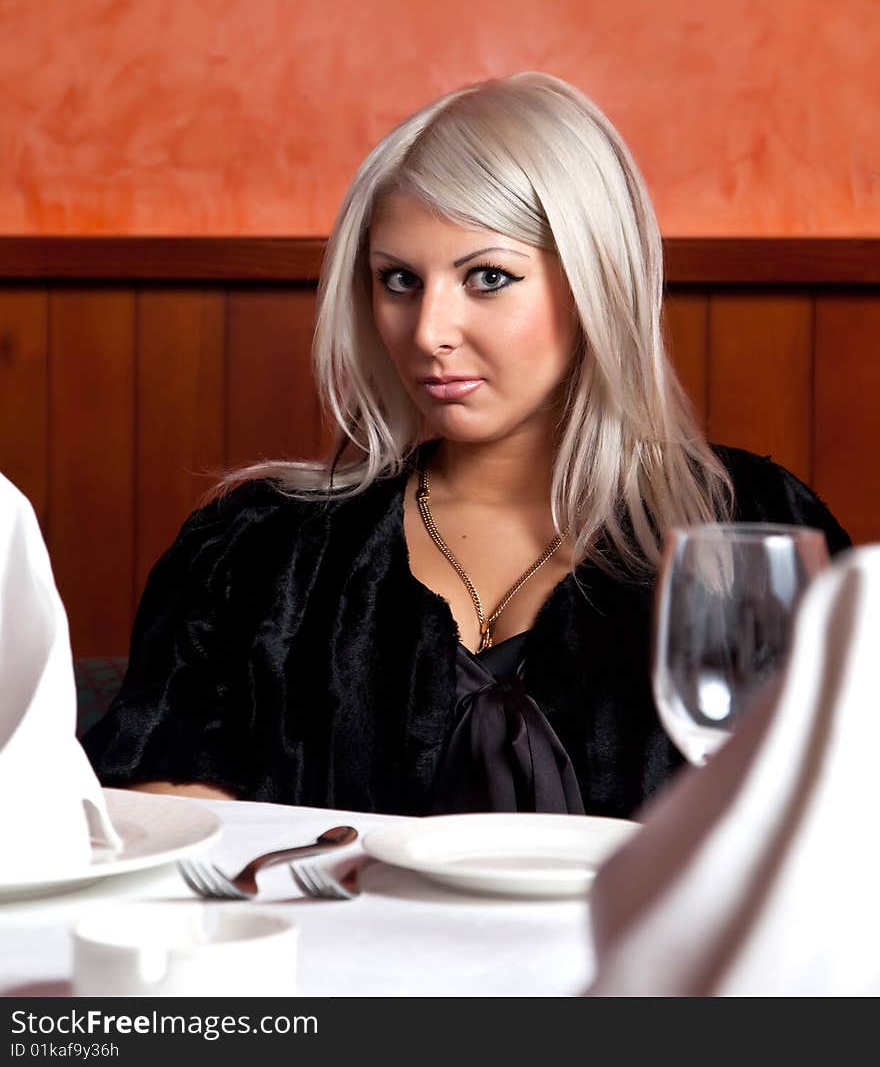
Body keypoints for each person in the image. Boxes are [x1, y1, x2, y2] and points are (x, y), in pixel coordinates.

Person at [82, 73, 849, 817]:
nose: (427, 334)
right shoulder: (260, 554)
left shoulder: (754, 529)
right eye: (399, 281)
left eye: (487, 277)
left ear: (594, 283)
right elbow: (159, 820)